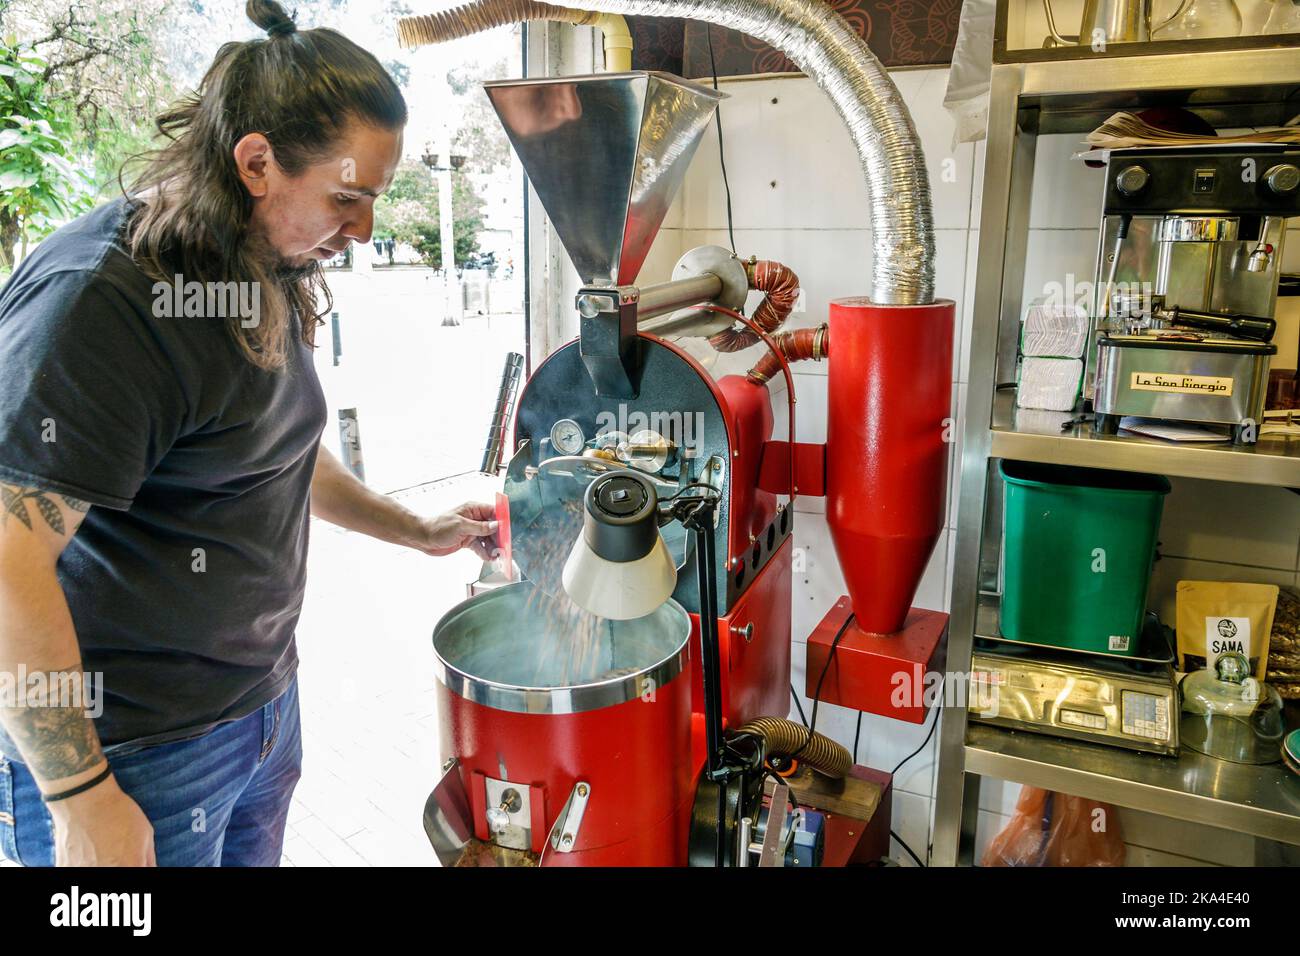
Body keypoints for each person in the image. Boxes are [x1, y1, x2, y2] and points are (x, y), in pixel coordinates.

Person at [0, 0, 495, 867]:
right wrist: (80, 797)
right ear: (256, 161)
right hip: (134, 753)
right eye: (347, 198)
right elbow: (7, 559)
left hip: (261, 713)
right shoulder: (100, 300)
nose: (368, 227)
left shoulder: (263, 263)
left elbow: (279, 450)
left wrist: (416, 532)